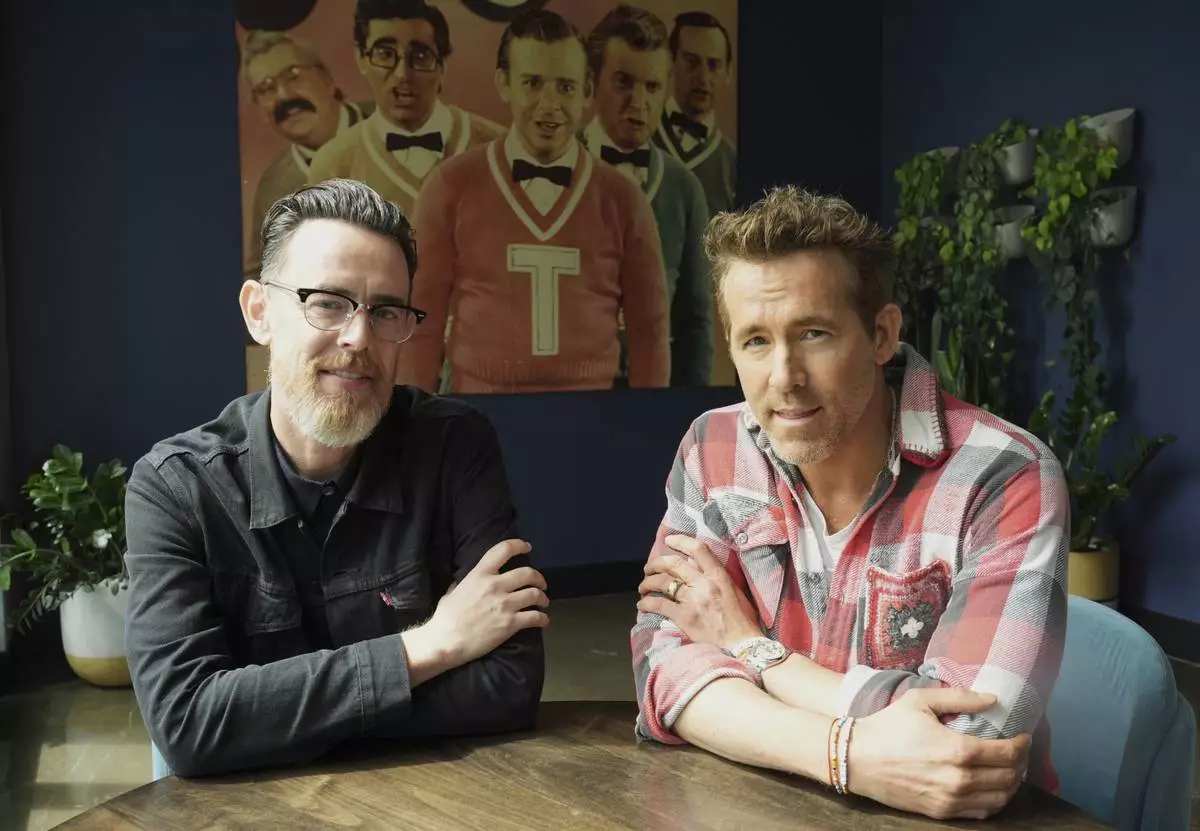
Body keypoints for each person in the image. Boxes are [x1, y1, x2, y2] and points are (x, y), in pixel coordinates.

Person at [631, 186, 1068, 821]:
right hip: (760, 802)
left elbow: (965, 747)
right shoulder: (713, 445)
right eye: (755, 341)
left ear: (882, 334)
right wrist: (846, 754)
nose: (784, 377)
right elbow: (662, 665)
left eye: (813, 334)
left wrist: (757, 653)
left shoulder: (1005, 476)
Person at [124, 179, 548, 777]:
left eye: (386, 311)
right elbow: (189, 725)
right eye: (327, 302)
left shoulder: (455, 446)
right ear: (259, 312)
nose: (358, 338)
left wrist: (272, 718)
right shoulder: (176, 487)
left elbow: (509, 684)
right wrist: (433, 646)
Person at [396, 8, 669, 394]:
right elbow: (422, 321)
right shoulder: (450, 186)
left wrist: (645, 416)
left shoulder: (623, 199)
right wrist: (416, 417)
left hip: (594, 414)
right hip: (477, 411)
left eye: (565, 87)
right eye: (533, 83)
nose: (549, 104)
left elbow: (650, 330)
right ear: (503, 83)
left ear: (588, 92)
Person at [584, 4, 712, 388]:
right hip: (574, 388)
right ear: (592, 83)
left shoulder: (684, 188)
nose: (639, 102)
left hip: (657, 391)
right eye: (623, 82)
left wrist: (692, 406)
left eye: (653, 87)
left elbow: (695, 319)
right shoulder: (560, 171)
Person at [308, 0, 503, 219]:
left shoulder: (499, 148)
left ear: (442, 67)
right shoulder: (334, 164)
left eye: (420, 56)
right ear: (362, 59)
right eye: (385, 54)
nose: (403, 74)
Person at [241, 30, 373, 281]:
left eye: (293, 77)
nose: (283, 96)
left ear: (327, 81)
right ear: (260, 110)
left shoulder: (389, 127)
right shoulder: (274, 186)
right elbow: (260, 274)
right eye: (266, 89)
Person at [652, 11, 737, 217]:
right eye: (691, 62)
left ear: (728, 73)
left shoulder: (732, 163)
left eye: (713, 65)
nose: (703, 77)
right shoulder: (639, 138)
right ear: (670, 63)